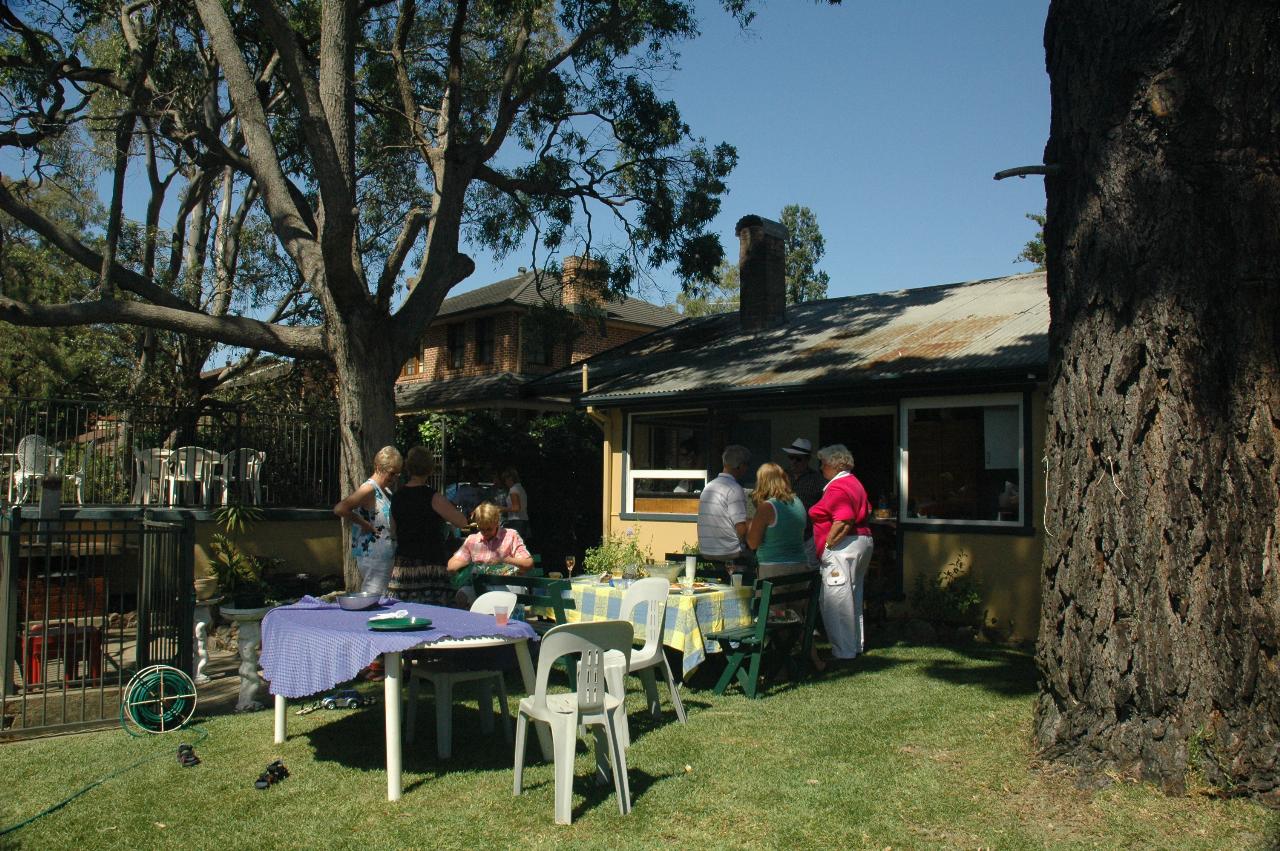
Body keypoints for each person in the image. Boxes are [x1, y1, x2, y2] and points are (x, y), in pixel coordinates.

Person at [746, 461, 823, 670]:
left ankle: (777, 668)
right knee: (797, 618)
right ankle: (815, 661)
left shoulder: (767, 507)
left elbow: (752, 542)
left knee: (773, 620)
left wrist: (750, 523)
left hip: (774, 570)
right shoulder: (798, 503)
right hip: (800, 568)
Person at [808, 443, 873, 662]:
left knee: (836, 601)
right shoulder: (854, 482)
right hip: (861, 541)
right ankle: (854, 645)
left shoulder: (837, 487)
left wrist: (827, 546)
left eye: (823, 464)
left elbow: (844, 519)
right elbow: (867, 510)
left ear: (834, 465)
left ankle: (843, 651)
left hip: (844, 547)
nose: (821, 468)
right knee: (852, 596)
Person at [389, 446, 470, 605]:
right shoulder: (433, 497)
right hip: (431, 564)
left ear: (408, 467)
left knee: (402, 611)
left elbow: (393, 531)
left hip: (404, 566)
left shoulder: (397, 497)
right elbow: (462, 522)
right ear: (430, 469)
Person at [333, 445, 401, 596]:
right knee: (373, 596)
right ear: (379, 468)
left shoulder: (386, 490)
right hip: (374, 555)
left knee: (381, 597)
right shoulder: (369, 489)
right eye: (391, 473)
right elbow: (340, 508)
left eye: (397, 474)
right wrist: (365, 524)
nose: (394, 478)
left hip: (384, 554)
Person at [447, 502, 534, 606]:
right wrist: (469, 563)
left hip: (507, 585)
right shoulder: (472, 540)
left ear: (497, 522)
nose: (485, 533)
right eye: (481, 529)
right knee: (462, 596)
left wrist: (505, 560)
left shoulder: (510, 535)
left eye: (489, 529)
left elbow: (528, 563)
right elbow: (451, 566)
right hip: (480, 586)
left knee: (496, 599)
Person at [697, 444, 751, 566]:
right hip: (729, 552)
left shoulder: (708, 487)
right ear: (740, 466)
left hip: (706, 550)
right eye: (747, 465)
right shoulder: (734, 489)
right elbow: (741, 529)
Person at [782, 436, 826, 568]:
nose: (794, 462)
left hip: (807, 536)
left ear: (807, 460)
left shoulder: (817, 479)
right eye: (791, 457)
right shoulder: (782, 475)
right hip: (784, 535)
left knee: (807, 571)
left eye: (798, 459)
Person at [498, 467, 530, 541]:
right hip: (523, 520)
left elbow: (516, 508)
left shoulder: (513, 490)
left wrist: (501, 508)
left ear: (510, 479)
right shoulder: (520, 487)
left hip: (516, 521)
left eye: (505, 480)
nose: (505, 483)